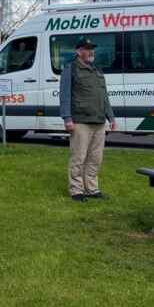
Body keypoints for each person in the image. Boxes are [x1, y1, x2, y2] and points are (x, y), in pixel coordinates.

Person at [60, 36, 118, 202]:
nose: (91, 51)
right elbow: (64, 96)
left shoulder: (97, 70)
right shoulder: (70, 69)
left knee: (95, 158)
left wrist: (111, 117)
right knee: (78, 157)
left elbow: (104, 97)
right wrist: (67, 118)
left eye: (92, 48)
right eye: (87, 48)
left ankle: (92, 189)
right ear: (79, 51)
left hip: (99, 122)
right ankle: (77, 190)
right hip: (80, 122)